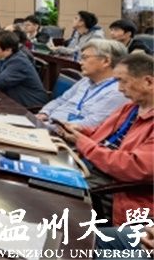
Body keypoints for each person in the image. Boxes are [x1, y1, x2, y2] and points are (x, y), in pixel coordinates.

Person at [56, 53, 154, 227]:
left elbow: (133, 167)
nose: (119, 89)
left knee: (54, 193)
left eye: (123, 81)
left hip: (117, 186)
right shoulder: (131, 107)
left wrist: (83, 143)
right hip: (94, 164)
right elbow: (104, 134)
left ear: (148, 82)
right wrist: (81, 131)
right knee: (41, 174)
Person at [37, 40, 129, 127]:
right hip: (49, 124)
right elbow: (61, 100)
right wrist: (44, 113)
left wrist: (49, 127)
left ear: (106, 61)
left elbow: (90, 125)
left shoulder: (117, 92)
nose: (80, 62)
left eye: (85, 58)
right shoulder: (85, 81)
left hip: (64, 133)